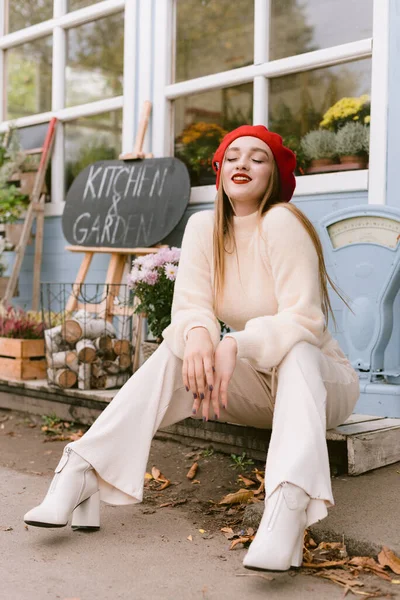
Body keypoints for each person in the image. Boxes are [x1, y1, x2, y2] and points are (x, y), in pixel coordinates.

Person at [24, 125, 360, 572]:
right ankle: (83, 468)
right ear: (220, 171)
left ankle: (288, 506)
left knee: (296, 351)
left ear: (275, 176)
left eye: (257, 159)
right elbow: (189, 308)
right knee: (177, 349)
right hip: (253, 390)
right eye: (233, 156)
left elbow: (304, 321)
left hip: (319, 382)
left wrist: (235, 341)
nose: (243, 164)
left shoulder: (283, 222)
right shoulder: (204, 227)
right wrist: (201, 332)